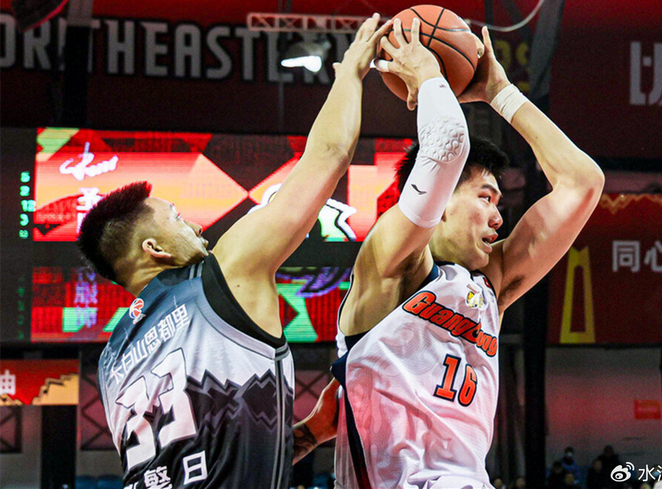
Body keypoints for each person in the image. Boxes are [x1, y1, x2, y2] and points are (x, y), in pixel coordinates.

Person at [78, 14, 392, 489]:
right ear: (154, 249)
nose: (196, 226)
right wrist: (351, 71)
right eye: (178, 219)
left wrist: (308, 434)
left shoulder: (112, 360)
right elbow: (329, 156)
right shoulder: (220, 276)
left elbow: (191, 458)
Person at [331, 18, 605, 489]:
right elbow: (446, 147)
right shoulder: (391, 262)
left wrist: (501, 93)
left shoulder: (490, 285)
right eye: (485, 197)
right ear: (439, 203)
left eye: (499, 203)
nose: (498, 217)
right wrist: (427, 75)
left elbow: (583, 183)